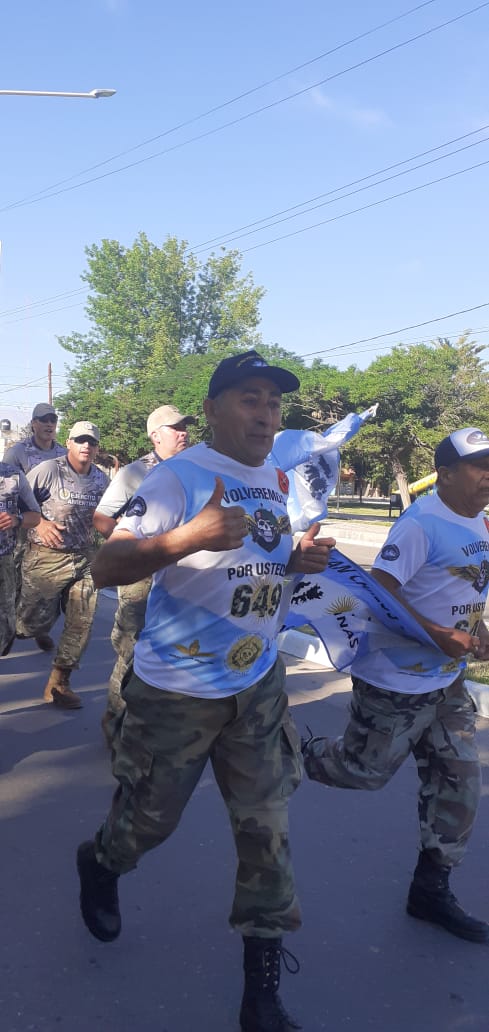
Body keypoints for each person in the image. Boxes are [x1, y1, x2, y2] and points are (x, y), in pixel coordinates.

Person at [76, 350, 335, 1032]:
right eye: (249, 398)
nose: (265, 412)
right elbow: (104, 566)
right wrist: (186, 536)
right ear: (215, 407)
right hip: (176, 691)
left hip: (257, 681)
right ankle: (101, 861)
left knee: (267, 831)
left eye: (274, 403)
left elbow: (255, 560)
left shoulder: (275, 478)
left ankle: (261, 987)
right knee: (148, 825)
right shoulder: (177, 477)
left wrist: (296, 559)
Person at [302, 426, 489, 944]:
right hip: (395, 684)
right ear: (445, 475)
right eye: (479, 467)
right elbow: (375, 596)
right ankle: (286, 752)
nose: (488, 476)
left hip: (446, 683)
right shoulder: (421, 524)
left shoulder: (481, 523)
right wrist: (435, 634)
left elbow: (468, 588)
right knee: (362, 772)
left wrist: (478, 633)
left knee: (458, 784)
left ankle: (430, 891)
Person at [93, 404, 195, 744]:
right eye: (175, 428)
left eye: (185, 427)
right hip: (141, 576)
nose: (183, 433)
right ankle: (115, 715)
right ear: (155, 436)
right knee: (133, 648)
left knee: (172, 647)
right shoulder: (136, 473)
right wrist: (131, 552)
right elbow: (102, 518)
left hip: (181, 576)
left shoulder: (195, 469)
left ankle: (156, 724)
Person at [16, 421, 109, 709]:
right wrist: (41, 522)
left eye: (91, 442)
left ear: (96, 448)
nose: (86, 446)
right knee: (27, 624)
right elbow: (16, 500)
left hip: (83, 557)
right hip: (45, 558)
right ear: (68, 442)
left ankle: (59, 682)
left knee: (82, 621)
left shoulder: (102, 480)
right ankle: (37, 627)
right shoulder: (48, 471)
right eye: (80, 440)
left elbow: (109, 515)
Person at [4, 402, 67, 648]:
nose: (49, 424)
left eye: (52, 420)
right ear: (34, 424)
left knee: (46, 580)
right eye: (44, 420)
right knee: (15, 580)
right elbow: (7, 490)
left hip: (53, 523)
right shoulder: (17, 452)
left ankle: (38, 626)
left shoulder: (62, 453)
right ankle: (9, 630)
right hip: (23, 523)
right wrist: (29, 521)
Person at [0, 462, 41, 657]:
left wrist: (16, 520)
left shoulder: (13, 476)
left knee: (6, 622)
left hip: (3, 558)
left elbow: (35, 516)